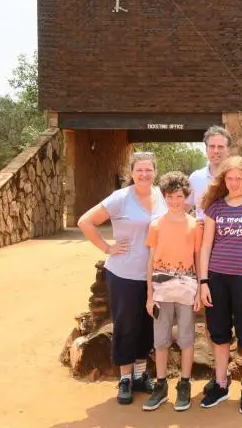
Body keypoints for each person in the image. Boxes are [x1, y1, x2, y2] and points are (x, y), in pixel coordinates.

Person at [188, 126, 242, 400]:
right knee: (219, 334)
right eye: (230, 178)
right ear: (223, 180)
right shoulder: (214, 207)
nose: (234, 183)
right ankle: (222, 384)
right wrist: (203, 282)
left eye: (239, 178)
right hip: (216, 279)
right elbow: (205, 246)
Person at [77, 152, 167, 405]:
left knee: (147, 325)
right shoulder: (120, 198)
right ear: (131, 173)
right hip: (125, 273)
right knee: (126, 325)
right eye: (140, 170)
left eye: (149, 170)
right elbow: (85, 222)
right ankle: (125, 379)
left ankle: (140, 375)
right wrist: (107, 248)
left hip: (153, 275)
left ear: (155, 172)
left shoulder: (160, 195)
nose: (144, 175)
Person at [142, 172, 203, 412]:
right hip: (161, 291)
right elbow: (150, 262)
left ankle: (185, 384)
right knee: (161, 340)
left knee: (187, 338)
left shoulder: (194, 225)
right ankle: (160, 385)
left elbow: (198, 259)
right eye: (170, 196)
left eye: (178, 196)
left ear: (185, 196)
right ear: (164, 197)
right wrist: (149, 295)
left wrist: (199, 290)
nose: (175, 201)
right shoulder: (155, 225)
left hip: (188, 290)